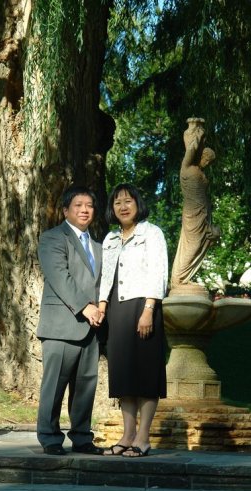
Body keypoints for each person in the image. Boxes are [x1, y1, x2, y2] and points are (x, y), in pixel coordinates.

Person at [98, 183, 168, 457]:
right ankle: (127, 436)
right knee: (124, 374)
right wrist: (103, 304)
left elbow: (159, 271)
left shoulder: (152, 233)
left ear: (138, 204)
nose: (123, 206)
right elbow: (106, 275)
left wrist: (149, 308)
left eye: (128, 201)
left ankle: (143, 438)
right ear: (112, 209)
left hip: (144, 304)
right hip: (118, 308)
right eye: (117, 203)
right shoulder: (111, 239)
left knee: (146, 373)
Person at [36, 185, 105, 456]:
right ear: (66, 210)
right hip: (61, 327)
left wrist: (101, 308)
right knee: (54, 386)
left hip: (92, 328)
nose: (84, 209)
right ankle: (50, 438)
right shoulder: (53, 238)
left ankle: (82, 437)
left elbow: (102, 283)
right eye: (78, 205)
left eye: (89, 205)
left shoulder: (99, 246)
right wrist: (85, 307)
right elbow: (60, 277)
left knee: (86, 386)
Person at [171, 126, 220, 289]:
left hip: (203, 213)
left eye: (210, 162)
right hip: (192, 214)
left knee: (200, 243)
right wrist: (197, 135)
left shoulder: (200, 172)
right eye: (206, 159)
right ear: (201, 155)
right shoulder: (187, 168)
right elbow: (190, 150)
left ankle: (184, 277)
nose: (207, 163)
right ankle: (178, 279)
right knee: (192, 245)